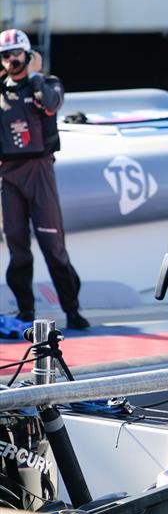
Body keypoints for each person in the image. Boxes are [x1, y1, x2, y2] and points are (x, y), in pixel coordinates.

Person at [0, 29, 89, 329]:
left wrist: (35, 75)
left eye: (16, 53)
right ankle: (25, 309)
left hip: (39, 171)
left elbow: (51, 104)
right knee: (17, 247)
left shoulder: (47, 83)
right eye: (5, 55)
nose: (11, 59)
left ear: (28, 54)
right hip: (8, 176)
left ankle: (72, 310)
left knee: (54, 246)